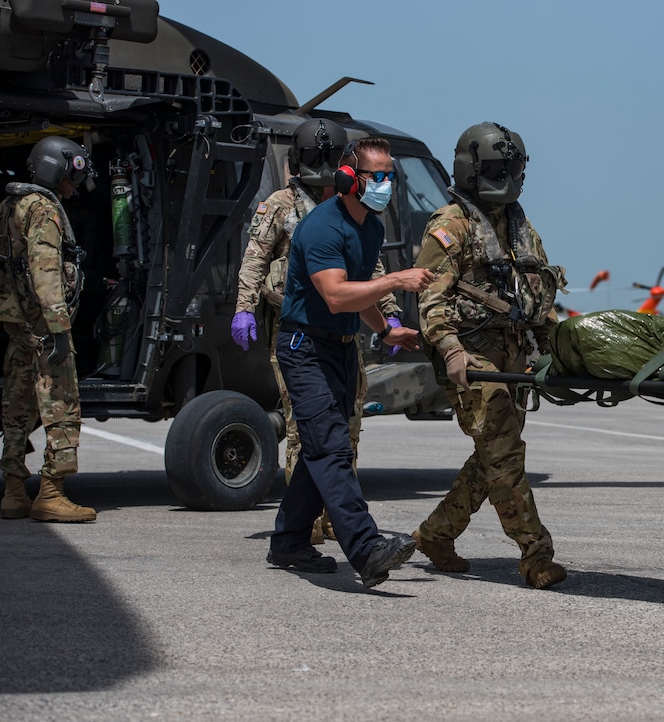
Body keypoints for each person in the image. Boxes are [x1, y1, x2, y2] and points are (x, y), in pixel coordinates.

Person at [266, 136, 434, 588]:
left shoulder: (371, 228)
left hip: (340, 348)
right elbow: (337, 295)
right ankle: (365, 546)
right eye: (376, 175)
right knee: (332, 447)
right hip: (304, 349)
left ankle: (288, 541)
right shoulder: (323, 227)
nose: (385, 183)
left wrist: (383, 330)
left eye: (389, 175)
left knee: (318, 451)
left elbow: (359, 294)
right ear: (347, 178)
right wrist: (398, 278)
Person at [411, 122, 569, 589]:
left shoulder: (520, 227)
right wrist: (452, 349)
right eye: (501, 168)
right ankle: (536, 556)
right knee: (504, 455)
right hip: (472, 360)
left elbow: (537, 296)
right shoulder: (450, 225)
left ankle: (435, 535)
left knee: (490, 458)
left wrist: (562, 348)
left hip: (516, 358)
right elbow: (429, 299)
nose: (509, 177)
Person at [231, 118, 403, 545]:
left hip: (343, 332)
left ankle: (322, 517)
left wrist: (389, 318)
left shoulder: (360, 212)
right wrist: (244, 308)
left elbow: (370, 268)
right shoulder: (280, 206)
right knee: (304, 429)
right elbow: (254, 258)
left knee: (347, 427)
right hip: (300, 330)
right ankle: (310, 527)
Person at [0, 136, 95, 522]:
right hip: (43, 323)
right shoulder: (42, 210)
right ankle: (52, 493)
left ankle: (14, 492)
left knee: (17, 405)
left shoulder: (8, 206)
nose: (73, 188)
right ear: (57, 169)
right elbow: (45, 270)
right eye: (72, 177)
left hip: (18, 323)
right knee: (62, 405)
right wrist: (58, 326)